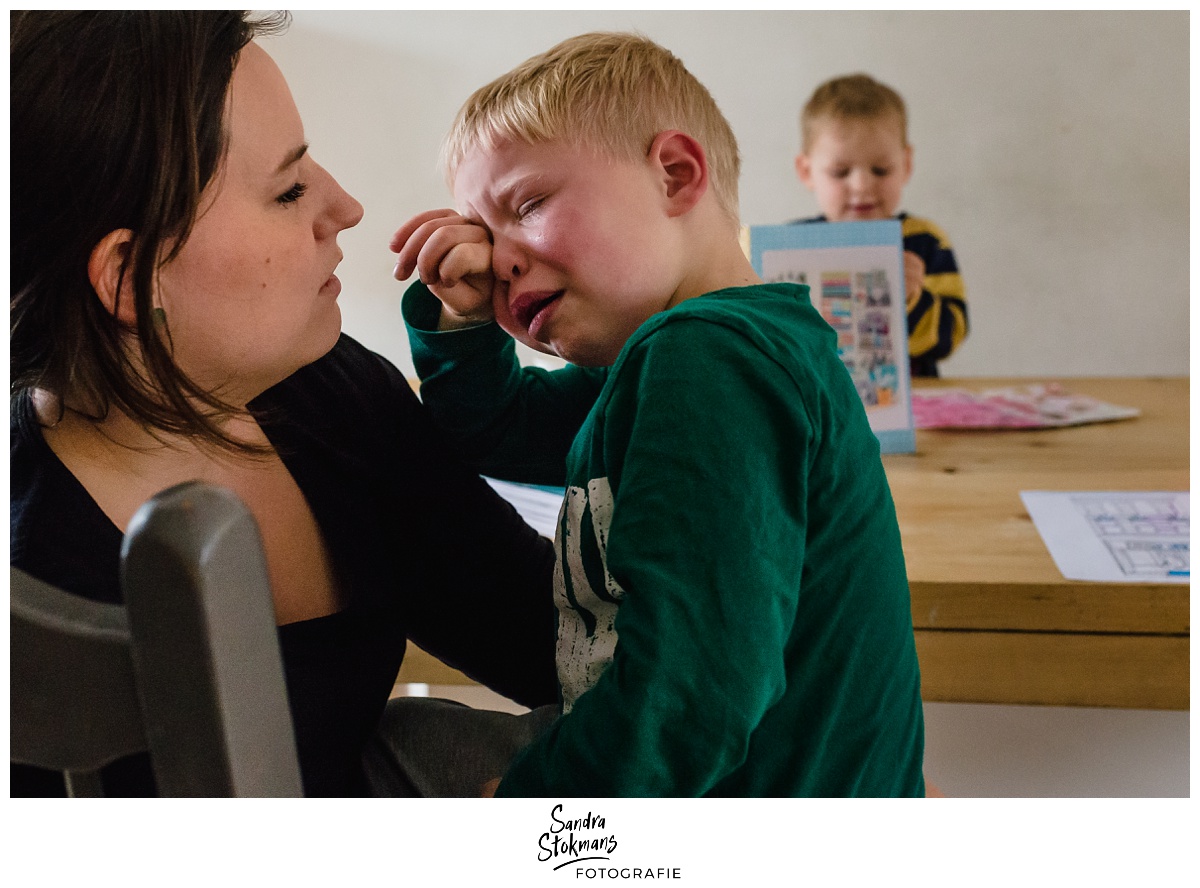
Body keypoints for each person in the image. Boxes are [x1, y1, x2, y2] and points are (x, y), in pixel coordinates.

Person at [10, 10, 559, 797]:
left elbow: (547, 643)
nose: (344, 207)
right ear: (132, 277)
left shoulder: (328, 393)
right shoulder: (34, 594)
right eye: (289, 188)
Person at [392, 32, 927, 797]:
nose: (498, 262)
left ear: (676, 176)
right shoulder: (695, 353)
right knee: (412, 739)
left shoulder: (708, 364)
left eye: (529, 205)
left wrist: (543, 813)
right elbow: (497, 425)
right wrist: (460, 320)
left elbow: (693, 692)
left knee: (388, 757)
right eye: (484, 235)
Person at [792, 73, 967, 378]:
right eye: (840, 171)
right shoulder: (792, 246)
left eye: (881, 170)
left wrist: (911, 299)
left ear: (906, 165)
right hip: (821, 411)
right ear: (807, 172)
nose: (861, 185)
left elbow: (951, 336)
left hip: (913, 410)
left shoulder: (925, 240)